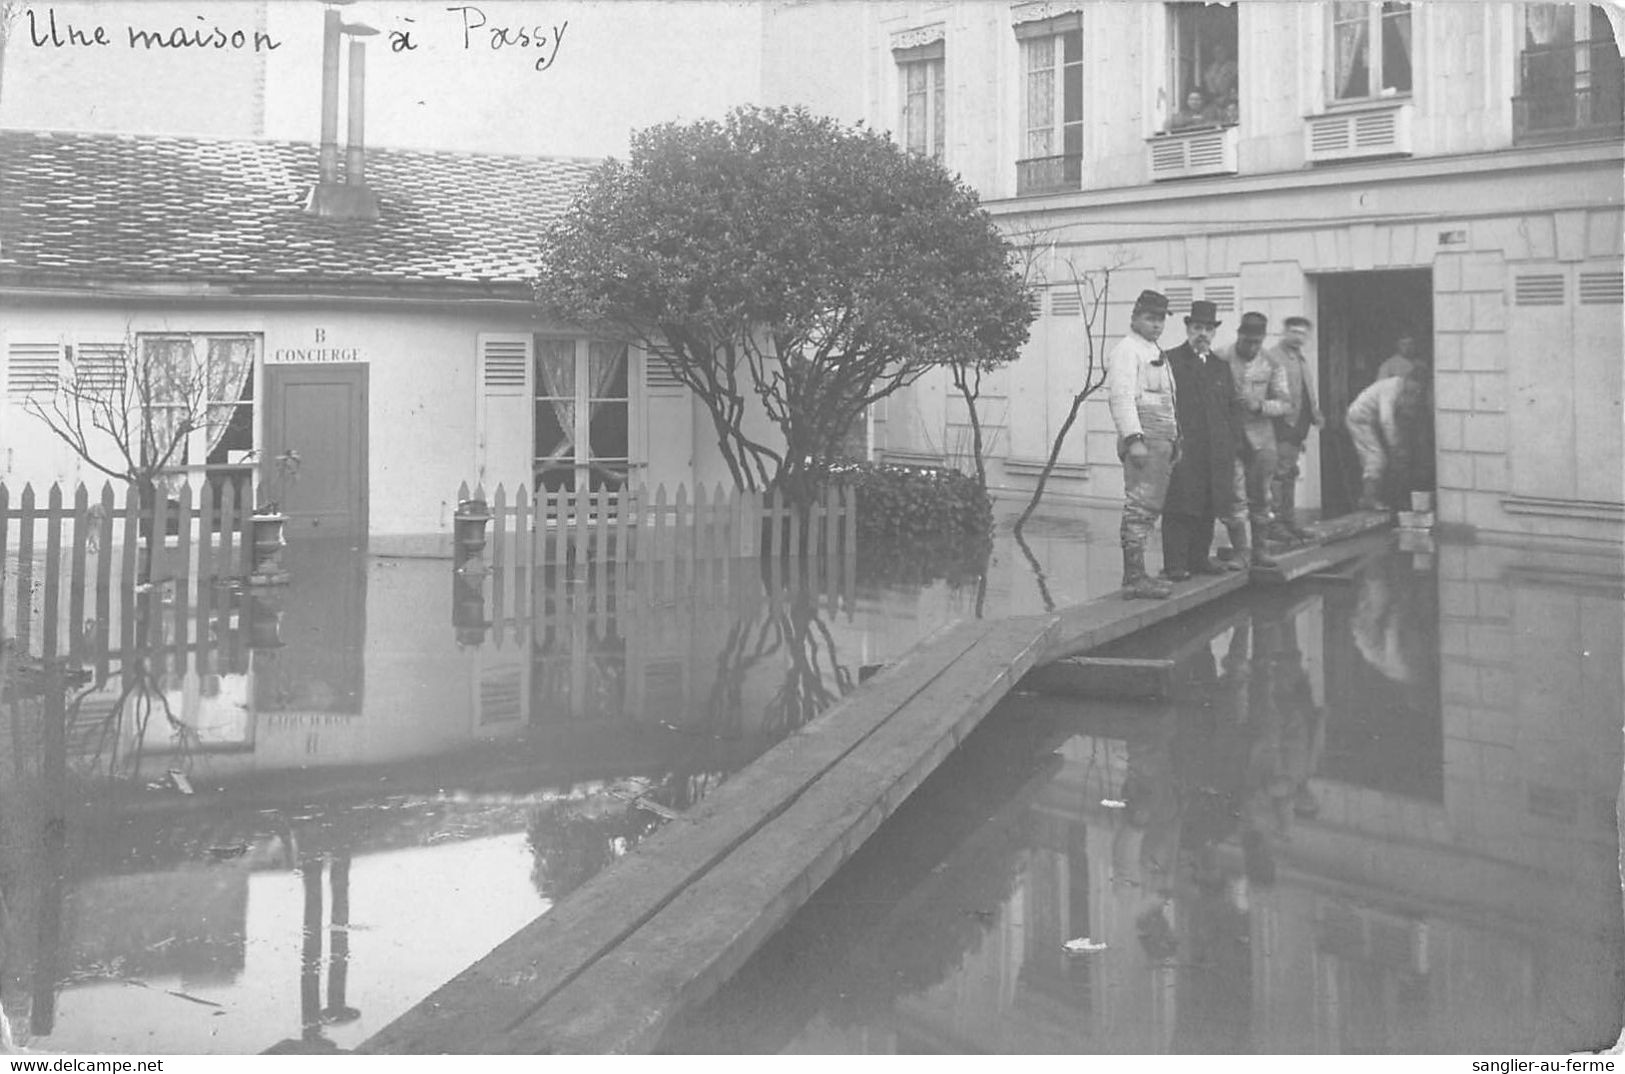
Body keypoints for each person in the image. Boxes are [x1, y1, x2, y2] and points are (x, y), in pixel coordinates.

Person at [1161, 300, 1243, 580]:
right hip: (1184, 448)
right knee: (1180, 506)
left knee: (1208, 505)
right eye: (1197, 327)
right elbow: (1163, 405)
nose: (1203, 334)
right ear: (1187, 328)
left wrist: (1231, 445)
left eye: (1208, 329)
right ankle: (1174, 565)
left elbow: (1232, 407)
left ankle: (1198, 560)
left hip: (1215, 451)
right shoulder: (1171, 361)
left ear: (1214, 332)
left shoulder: (1220, 367)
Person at [1107, 288, 1178, 599]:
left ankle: (1139, 575)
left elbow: (1168, 401)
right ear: (1135, 317)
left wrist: (1176, 439)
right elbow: (1121, 397)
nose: (1157, 325)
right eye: (1150, 318)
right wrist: (1134, 439)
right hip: (1144, 440)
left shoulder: (1153, 349)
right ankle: (1134, 576)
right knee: (1139, 506)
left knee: (1150, 508)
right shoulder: (1127, 350)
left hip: (1162, 440)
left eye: (1161, 319)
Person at [1220, 312, 1286, 567]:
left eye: (1257, 342)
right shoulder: (1221, 358)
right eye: (1248, 341)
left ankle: (1260, 550)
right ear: (1239, 335)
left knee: (1261, 495)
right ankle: (1240, 552)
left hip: (1261, 439)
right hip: (1230, 438)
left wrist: (1260, 405)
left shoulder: (1271, 362)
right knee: (1234, 496)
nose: (1252, 347)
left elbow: (1286, 403)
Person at [1267, 315, 1323, 544]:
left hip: (1298, 426)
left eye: (1302, 333)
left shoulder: (1300, 358)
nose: (1298, 337)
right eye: (1294, 332)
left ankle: (1288, 523)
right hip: (1281, 425)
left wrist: (1316, 415)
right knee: (1278, 475)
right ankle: (1275, 524)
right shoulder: (1272, 357)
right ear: (1285, 332)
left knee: (1290, 473)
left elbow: (1306, 392)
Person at [1345, 366, 1427, 510]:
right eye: (1414, 388)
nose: (1415, 392)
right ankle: (1368, 499)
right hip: (1360, 418)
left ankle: (1376, 498)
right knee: (1376, 458)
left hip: (1372, 421)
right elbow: (1386, 419)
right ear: (1408, 380)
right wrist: (1394, 445)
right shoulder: (1391, 388)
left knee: (1380, 459)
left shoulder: (1401, 389)